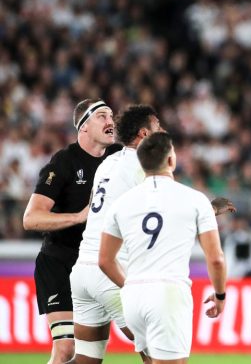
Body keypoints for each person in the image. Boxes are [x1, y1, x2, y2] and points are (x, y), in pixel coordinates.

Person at [98, 132, 227, 364]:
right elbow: (216, 258)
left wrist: (131, 285)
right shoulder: (195, 199)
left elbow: (105, 260)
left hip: (133, 297)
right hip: (168, 294)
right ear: (171, 160)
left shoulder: (121, 204)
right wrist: (220, 295)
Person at [23, 99, 120, 364]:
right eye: (102, 116)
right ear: (84, 126)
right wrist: (79, 216)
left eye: (112, 115)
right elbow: (31, 218)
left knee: (92, 355)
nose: (110, 121)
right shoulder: (64, 162)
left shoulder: (120, 158)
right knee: (66, 348)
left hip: (96, 266)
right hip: (60, 263)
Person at [70, 105, 162, 363]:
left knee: (86, 358)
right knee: (160, 351)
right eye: (158, 126)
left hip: (83, 271)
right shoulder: (145, 164)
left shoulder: (107, 163)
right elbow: (169, 210)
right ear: (144, 134)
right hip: (112, 270)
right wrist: (207, 211)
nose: (163, 131)